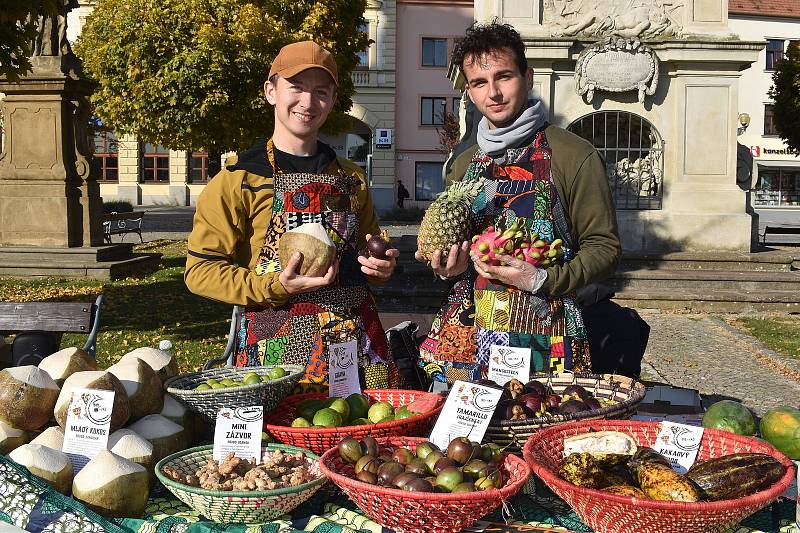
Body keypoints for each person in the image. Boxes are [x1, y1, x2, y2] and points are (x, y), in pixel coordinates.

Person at [185, 41, 402, 392]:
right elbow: (200, 272)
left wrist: (380, 270)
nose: (307, 102)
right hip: (276, 347)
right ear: (271, 91)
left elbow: (368, 249)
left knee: (363, 436)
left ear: (332, 101)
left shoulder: (351, 177)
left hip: (355, 344)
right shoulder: (239, 179)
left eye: (320, 92)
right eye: (296, 87)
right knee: (286, 441)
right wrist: (273, 287)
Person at [415, 22, 621, 384]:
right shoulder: (463, 162)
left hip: (546, 330)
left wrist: (544, 278)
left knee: (540, 429)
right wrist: (445, 268)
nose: (493, 93)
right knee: (462, 438)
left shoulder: (574, 155)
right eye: (479, 83)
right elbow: (451, 250)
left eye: (503, 77)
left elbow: (604, 247)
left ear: (527, 77)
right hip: (468, 333)